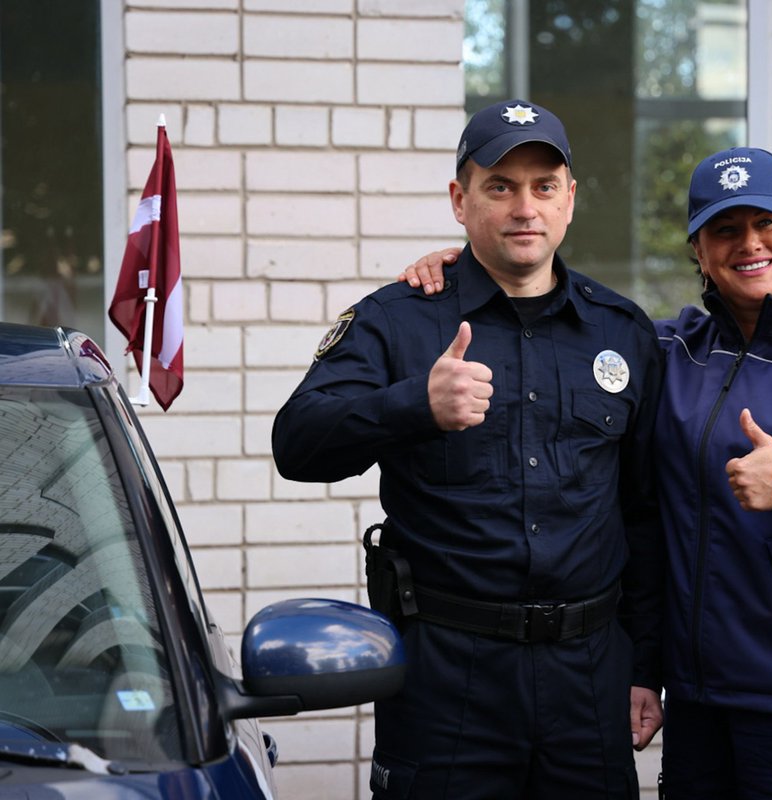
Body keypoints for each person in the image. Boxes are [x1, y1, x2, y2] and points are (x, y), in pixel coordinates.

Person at [401, 145, 772, 798]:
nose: (748, 244)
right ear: (699, 251)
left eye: (765, 224)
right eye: (725, 230)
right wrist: (473, 269)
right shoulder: (671, 350)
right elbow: (565, 327)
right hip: (702, 706)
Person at [273, 99, 664, 800]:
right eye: (499, 186)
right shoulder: (398, 320)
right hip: (446, 679)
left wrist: (646, 664)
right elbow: (297, 443)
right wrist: (412, 405)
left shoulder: (624, 333)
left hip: (588, 677)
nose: (525, 207)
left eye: (544, 187)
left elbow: (643, 512)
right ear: (460, 199)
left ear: (570, 200)